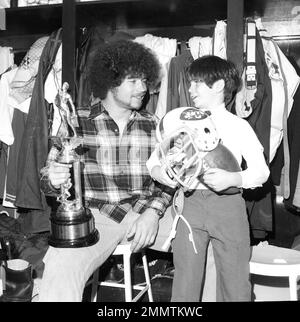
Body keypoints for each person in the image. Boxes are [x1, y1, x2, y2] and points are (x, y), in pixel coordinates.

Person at [38, 39, 175, 302]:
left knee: (211, 235)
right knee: (60, 269)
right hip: (97, 218)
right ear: (111, 83)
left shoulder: (154, 125)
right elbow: (47, 177)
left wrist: (153, 212)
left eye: (145, 81)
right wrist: (54, 180)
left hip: (146, 212)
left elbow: (169, 179)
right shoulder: (76, 120)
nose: (144, 89)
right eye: (134, 81)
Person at [147, 55, 270, 302]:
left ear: (219, 86)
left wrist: (232, 178)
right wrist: (165, 174)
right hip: (189, 204)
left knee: (235, 281)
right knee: (185, 281)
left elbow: (261, 172)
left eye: (197, 83)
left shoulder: (238, 126)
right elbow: (153, 162)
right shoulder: (179, 120)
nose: (190, 89)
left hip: (228, 207)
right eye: (190, 83)